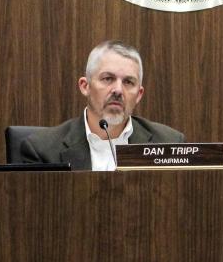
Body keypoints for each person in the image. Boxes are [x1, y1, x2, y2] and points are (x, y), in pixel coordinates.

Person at [19, 40, 184, 170]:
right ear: (85, 86)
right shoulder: (43, 150)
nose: (118, 90)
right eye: (108, 78)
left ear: (139, 94)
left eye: (128, 82)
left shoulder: (169, 143)